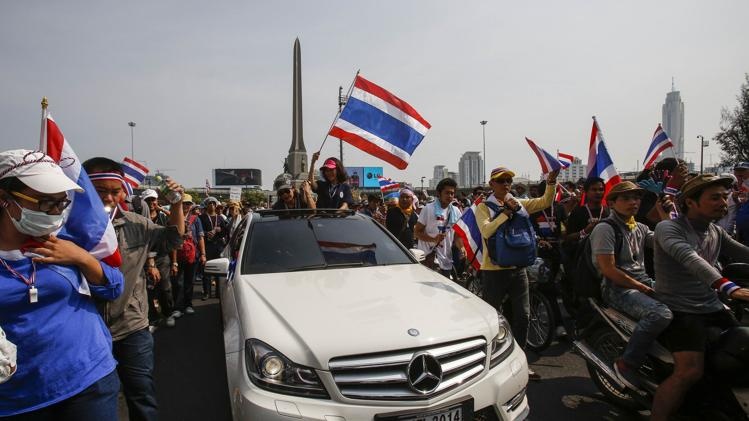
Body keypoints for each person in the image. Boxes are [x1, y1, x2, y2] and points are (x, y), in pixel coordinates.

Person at [0, 150, 124, 419]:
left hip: (88, 380)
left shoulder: (65, 237)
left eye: (61, 203)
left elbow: (114, 287)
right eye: (45, 203)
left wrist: (81, 258)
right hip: (17, 398)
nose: (55, 213)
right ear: (5, 199)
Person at [84, 156, 184, 421]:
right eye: (100, 190)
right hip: (87, 331)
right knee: (94, 401)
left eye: (115, 191)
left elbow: (173, 239)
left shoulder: (137, 224)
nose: (108, 197)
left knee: (141, 395)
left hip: (132, 327)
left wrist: (176, 204)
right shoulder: (67, 228)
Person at [650, 174, 749, 421]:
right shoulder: (668, 228)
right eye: (714, 198)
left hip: (712, 305)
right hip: (680, 309)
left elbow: (744, 253)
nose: (723, 203)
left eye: (724, 197)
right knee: (689, 372)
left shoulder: (715, 231)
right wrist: (728, 286)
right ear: (690, 202)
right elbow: (690, 257)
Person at [475, 166, 558, 380]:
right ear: (491, 184)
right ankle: (490, 363)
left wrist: (551, 182)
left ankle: (520, 362)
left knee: (523, 316)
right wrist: (505, 213)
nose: (506, 184)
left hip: (518, 269)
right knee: (492, 318)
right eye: (501, 181)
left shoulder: (519, 203)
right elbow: (486, 230)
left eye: (508, 181)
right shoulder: (484, 207)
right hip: (493, 270)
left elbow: (545, 202)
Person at [589, 181, 673, 391]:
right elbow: (608, 269)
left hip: (643, 283)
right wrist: (643, 288)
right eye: (626, 198)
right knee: (660, 314)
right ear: (612, 203)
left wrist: (665, 214)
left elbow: (668, 242)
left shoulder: (640, 227)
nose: (633, 202)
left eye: (636, 198)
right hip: (617, 289)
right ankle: (627, 363)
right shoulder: (605, 229)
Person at [141, 188, 179, 328]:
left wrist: (174, 262)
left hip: (162, 257)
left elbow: (174, 235)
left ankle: (168, 313)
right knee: (147, 290)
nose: (151, 203)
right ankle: (153, 318)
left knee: (165, 287)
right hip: (143, 258)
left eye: (153, 199)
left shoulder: (163, 217)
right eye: (148, 200)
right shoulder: (138, 218)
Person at [415, 179, 465, 278]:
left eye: (452, 193)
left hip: (446, 261)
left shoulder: (456, 211)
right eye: (447, 193)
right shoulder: (428, 209)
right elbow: (417, 232)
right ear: (439, 193)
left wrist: (461, 248)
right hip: (428, 260)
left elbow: (457, 235)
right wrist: (433, 239)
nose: (450, 196)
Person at [172, 194, 206, 316]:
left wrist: (203, 254)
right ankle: (177, 307)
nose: (186, 206)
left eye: (188, 204)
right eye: (184, 203)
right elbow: (171, 239)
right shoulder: (175, 218)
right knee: (178, 282)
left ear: (191, 206)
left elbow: (200, 237)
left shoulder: (196, 219)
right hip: (178, 254)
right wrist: (173, 261)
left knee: (190, 281)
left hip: (193, 255)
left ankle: (188, 304)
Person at [199, 196, 227, 300]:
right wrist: (206, 233)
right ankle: (207, 292)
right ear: (206, 205)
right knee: (206, 269)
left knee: (218, 270)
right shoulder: (201, 217)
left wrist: (220, 230)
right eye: (210, 203)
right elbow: (199, 231)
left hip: (218, 246)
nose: (212, 205)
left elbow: (225, 232)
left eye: (214, 203)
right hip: (207, 246)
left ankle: (218, 293)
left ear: (216, 205)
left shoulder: (220, 218)